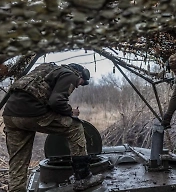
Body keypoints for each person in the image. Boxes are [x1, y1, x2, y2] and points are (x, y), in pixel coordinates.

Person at [2, 62, 104, 191]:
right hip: (33, 112)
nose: (78, 86)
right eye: (81, 83)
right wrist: (70, 112)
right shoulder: (70, 74)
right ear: (80, 74)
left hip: (10, 114)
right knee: (76, 127)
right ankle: (83, 178)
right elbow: (56, 102)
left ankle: (16, 189)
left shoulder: (48, 70)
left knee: (18, 159)